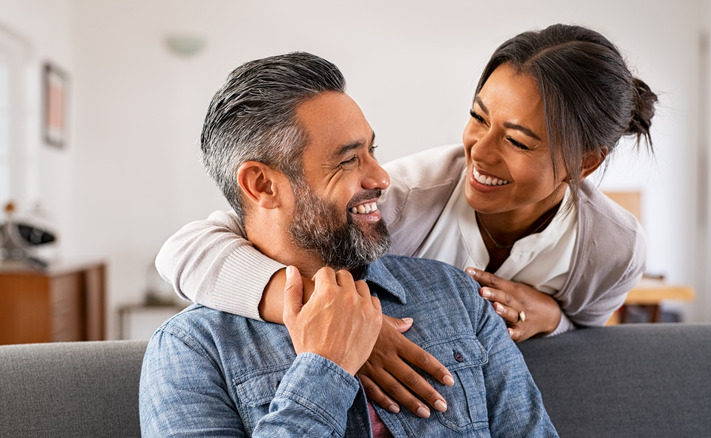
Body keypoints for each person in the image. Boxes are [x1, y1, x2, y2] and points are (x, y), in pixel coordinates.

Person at [156, 23, 657, 415]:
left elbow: (588, 333)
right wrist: (337, 319)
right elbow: (188, 249)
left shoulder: (613, 248)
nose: (479, 153)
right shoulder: (403, 196)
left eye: (518, 140)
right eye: (478, 117)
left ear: (585, 162)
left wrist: (554, 318)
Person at [139, 52, 558, 437]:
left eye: (372, 150)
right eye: (348, 159)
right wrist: (325, 369)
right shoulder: (191, 349)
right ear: (262, 185)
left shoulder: (456, 296)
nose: (381, 178)